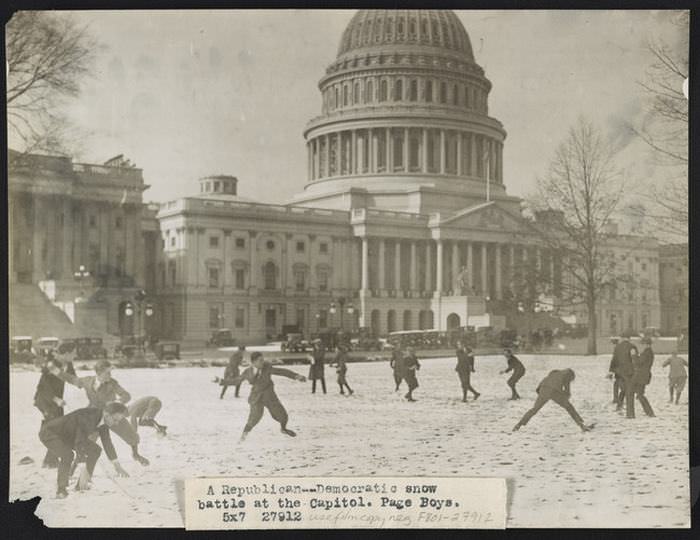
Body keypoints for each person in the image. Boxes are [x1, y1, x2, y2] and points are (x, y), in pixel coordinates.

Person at [59, 359, 149, 465]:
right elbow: (73, 379)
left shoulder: (112, 383)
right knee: (87, 442)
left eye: (110, 372)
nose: (110, 375)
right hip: (94, 416)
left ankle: (136, 454)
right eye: (107, 372)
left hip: (112, 414)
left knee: (131, 435)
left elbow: (126, 395)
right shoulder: (87, 381)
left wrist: (116, 402)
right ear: (99, 373)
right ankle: (73, 467)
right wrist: (57, 372)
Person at [39, 402, 130, 499]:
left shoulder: (103, 420)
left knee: (95, 450)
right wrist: (83, 468)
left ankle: (83, 483)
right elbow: (79, 442)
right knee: (68, 455)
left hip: (69, 436)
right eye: (115, 420)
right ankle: (61, 490)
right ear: (107, 414)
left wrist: (117, 465)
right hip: (50, 433)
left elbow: (107, 442)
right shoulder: (89, 417)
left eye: (118, 421)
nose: (116, 423)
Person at [230, 351, 306, 442]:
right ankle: (243, 436)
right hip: (256, 397)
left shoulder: (267, 367)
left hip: (269, 396)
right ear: (253, 362)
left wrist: (296, 376)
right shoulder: (247, 372)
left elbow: (281, 371)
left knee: (282, 415)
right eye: (260, 360)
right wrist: (221, 381)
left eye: (263, 360)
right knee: (254, 418)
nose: (263, 362)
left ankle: (283, 429)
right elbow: (236, 381)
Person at [513, 369, 594, 432]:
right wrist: (566, 398)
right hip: (554, 391)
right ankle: (581, 425)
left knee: (534, 409)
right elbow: (567, 391)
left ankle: (519, 424)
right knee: (569, 407)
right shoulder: (567, 376)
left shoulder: (554, 373)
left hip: (543, 388)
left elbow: (540, 386)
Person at [34, 355, 75, 468]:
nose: (75, 355)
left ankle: (50, 459)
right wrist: (55, 399)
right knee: (53, 428)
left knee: (58, 428)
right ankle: (50, 460)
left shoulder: (69, 364)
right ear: (66, 353)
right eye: (73, 353)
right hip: (45, 401)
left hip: (58, 402)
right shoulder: (51, 365)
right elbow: (43, 387)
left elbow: (73, 379)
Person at [610, 331, 639, 418]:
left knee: (623, 389)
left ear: (622, 338)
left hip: (619, 373)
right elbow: (635, 359)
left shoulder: (617, 347)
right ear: (629, 338)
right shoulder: (632, 347)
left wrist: (611, 371)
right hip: (629, 372)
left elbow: (614, 360)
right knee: (630, 392)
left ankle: (619, 405)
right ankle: (630, 414)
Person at [632, 338, 656, 417]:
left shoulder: (647, 352)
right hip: (644, 375)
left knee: (639, 394)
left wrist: (634, 355)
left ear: (646, 344)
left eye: (643, 343)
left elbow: (639, 362)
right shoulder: (649, 352)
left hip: (641, 375)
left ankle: (649, 412)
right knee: (639, 394)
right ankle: (649, 412)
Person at [607, 337, 624, 407]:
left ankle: (617, 399)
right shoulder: (620, 348)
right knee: (617, 384)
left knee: (618, 384)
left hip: (618, 370)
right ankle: (617, 398)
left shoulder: (617, 349)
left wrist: (611, 371)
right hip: (620, 369)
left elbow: (614, 360)